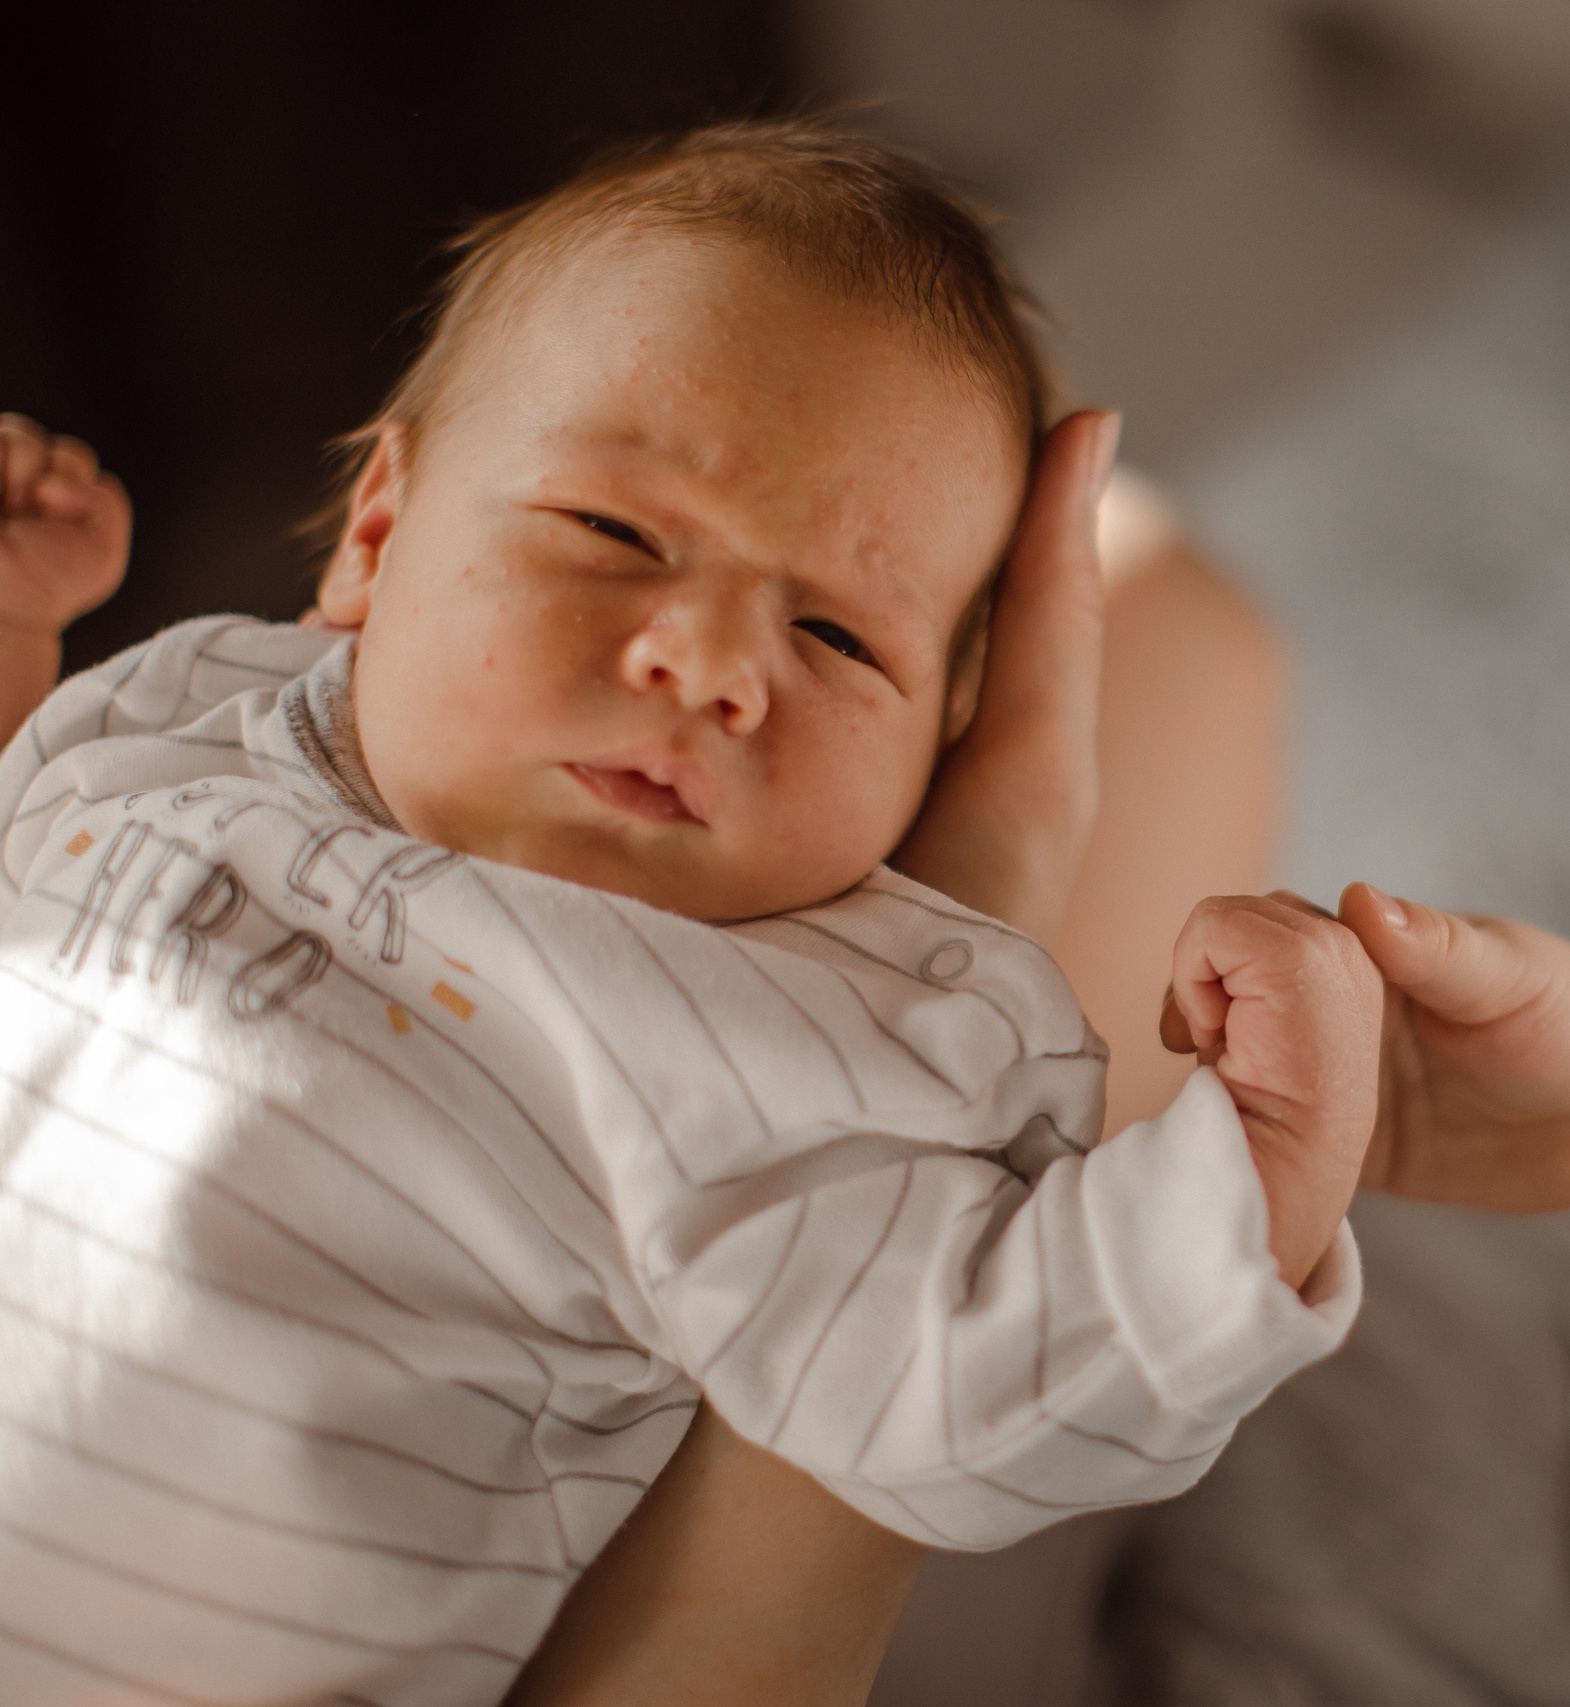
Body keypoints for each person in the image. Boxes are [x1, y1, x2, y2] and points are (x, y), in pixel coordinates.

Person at [0, 120, 1385, 1704]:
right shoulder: (185, 712)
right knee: (1179, 612)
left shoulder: (790, 1058)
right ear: (379, 535)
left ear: (928, 759)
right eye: (618, 533)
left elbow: (991, 1387)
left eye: (841, 641)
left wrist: (1273, 1161)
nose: (717, 665)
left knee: (1187, 629)